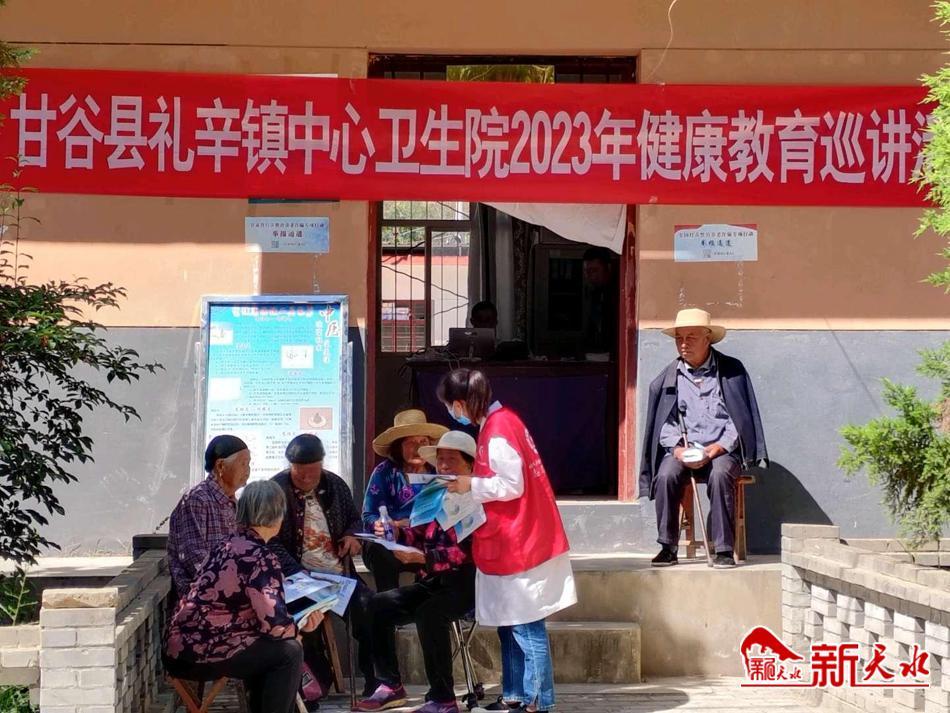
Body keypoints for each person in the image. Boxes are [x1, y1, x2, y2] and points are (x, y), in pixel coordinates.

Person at [440, 369, 576, 713]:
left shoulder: (499, 429)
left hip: (521, 540)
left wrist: (469, 485)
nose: (452, 413)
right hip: (511, 537)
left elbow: (512, 484)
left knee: (526, 626)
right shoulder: (502, 421)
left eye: (451, 406)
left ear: (461, 403)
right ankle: (514, 694)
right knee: (509, 624)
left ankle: (537, 701)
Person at [163, 480, 322, 713]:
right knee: (289, 651)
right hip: (204, 653)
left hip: (178, 650)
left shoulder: (225, 545)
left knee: (269, 650)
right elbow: (275, 626)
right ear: (276, 516)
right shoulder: (260, 557)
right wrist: (302, 627)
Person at [357, 431, 478, 713]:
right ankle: (390, 685)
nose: (444, 465)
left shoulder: (479, 497)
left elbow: (470, 552)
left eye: (452, 460)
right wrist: (398, 534)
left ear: (470, 465)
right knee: (377, 604)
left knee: (430, 613)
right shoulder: (435, 491)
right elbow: (419, 531)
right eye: (441, 459)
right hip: (434, 579)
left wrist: (425, 558)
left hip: (468, 582)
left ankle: (443, 699)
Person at [639, 308, 769, 569]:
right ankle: (667, 547)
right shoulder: (668, 377)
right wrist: (677, 450)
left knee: (720, 475)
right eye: (679, 338)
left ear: (707, 338)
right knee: (665, 476)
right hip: (684, 449)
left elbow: (738, 421)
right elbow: (664, 424)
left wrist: (716, 449)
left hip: (721, 450)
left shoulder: (731, 371)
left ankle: (723, 549)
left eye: (691, 337)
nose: (683, 343)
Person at [269, 434, 378, 697]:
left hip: (338, 576)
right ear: (290, 466)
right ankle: (313, 690)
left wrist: (352, 537)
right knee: (305, 623)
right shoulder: (276, 491)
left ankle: (377, 683)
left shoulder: (335, 485)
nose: (307, 478)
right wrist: (297, 572)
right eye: (300, 472)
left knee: (370, 611)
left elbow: (355, 520)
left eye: (313, 472)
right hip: (298, 579)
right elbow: (269, 541)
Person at [362, 409, 448, 592]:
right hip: (391, 543)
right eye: (411, 443)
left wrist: (413, 525)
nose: (418, 449)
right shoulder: (384, 472)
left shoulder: (439, 473)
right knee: (379, 551)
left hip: (427, 542)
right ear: (398, 447)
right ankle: (389, 605)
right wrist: (383, 525)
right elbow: (369, 515)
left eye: (423, 442)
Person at [167, 435, 250, 596]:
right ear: (220, 466)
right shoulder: (197, 500)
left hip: (230, 590)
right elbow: (196, 560)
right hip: (203, 597)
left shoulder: (232, 501)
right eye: (243, 463)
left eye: (249, 464)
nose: (247, 470)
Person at [581, 246, 616, 357]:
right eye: (587, 271)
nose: (590, 276)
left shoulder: (618, 293)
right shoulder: (595, 292)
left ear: (608, 268)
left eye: (595, 270)